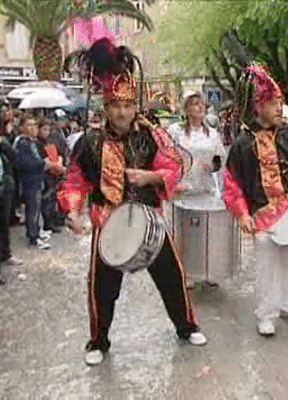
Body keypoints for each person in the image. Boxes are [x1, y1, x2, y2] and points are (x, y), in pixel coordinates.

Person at [58, 38, 207, 366]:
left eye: (127, 105)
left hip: (149, 219)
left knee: (172, 276)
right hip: (106, 222)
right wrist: (73, 210)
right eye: (116, 106)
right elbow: (74, 181)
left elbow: (175, 166)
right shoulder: (89, 142)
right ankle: (98, 340)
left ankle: (186, 326)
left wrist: (150, 178)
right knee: (102, 287)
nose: (123, 112)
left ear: (135, 106)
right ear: (106, 108)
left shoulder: (151, 135)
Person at [223, 63, 288, 336]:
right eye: (273, 103)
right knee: (267, 267)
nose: (279, 108)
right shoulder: (243, 144)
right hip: (262, 214)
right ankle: (266, 314)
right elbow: (232, 185)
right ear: (258, 108)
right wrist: (242, 213)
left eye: (280, 102)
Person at [167, 91, 226, 288]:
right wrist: (173, 180)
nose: (200, 107)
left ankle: (208, 269)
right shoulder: (175, 132)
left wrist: (214, 167)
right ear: (186, 109)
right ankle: (185, 271)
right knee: (184, 232)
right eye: (194, 104)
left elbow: (218, 159)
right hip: (183, 188)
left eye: (202, 104)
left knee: (207, 230)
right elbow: (166, 158)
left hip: (205, 187)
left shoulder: (213, 134)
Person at [14, 115, 52, 250]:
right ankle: (33, 237)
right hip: (28, 181)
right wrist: (42, 163)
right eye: (29, 125)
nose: (33, 128)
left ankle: (37, 230)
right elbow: (24, 164)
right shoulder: (21, 143)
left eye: (34, 125)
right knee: (32, 209)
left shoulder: (33, 142)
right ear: (21, 127)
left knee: (37, 207)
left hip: (37, 179)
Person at [0, 120, 23, 284]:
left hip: (4, 188)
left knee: (3, 225)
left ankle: (5, 254)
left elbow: (15, 158)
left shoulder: (4, 142)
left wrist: (4, 143)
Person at [38, 118, 66, 233]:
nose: (46, 132)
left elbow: (58, 154)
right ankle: (47, 223)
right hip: (45, 175)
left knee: (52, 199)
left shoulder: (50, 141)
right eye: (44, 129)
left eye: (48, 130)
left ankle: (52, 220)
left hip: (54, 174)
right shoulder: (38, 143)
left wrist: (59, 163)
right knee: (47, 200)